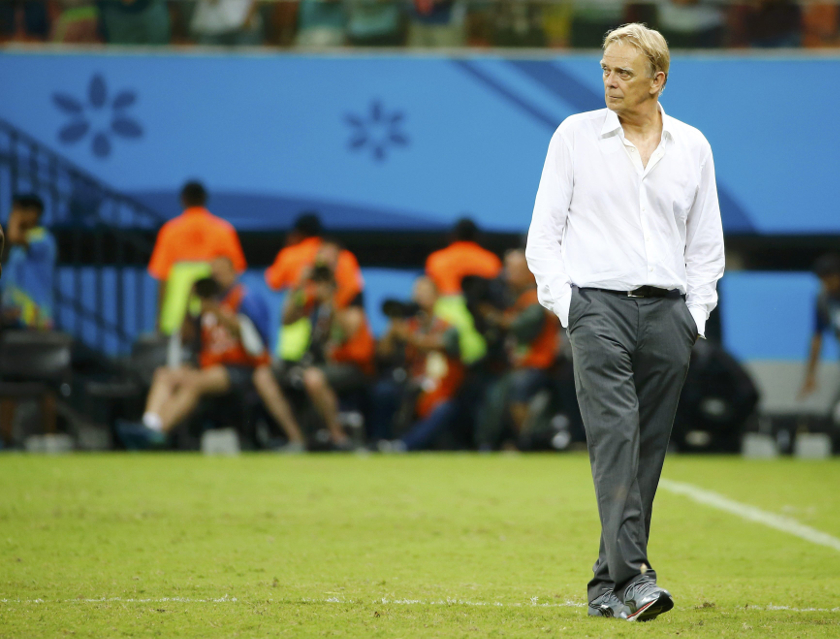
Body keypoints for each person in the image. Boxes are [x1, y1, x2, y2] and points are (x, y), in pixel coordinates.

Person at [526, 24, 724, 621]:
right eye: (606, 70)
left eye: (624, 72)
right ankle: (637, 578)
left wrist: (693, 315)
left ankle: (604, 588)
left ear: (657, 79)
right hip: (597, 308)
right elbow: (545, 234)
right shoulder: (574, 135)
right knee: (615, 436)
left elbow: (705, 245)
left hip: (669, 314)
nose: (611, 81)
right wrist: (570, 307)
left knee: (647, 451)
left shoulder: (693, 147)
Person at [117, 255, 305, 450]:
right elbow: (186, 339)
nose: (217, 277)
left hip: (241, 366)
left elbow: (255, 341)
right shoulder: (206, 301)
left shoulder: (245, 297)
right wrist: (189, 303)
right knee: (164, 375)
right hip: (209, 365)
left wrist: (216, 311)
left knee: (194, 382)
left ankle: (158, 432)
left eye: (222, 272)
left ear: (234, 273)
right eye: (213, 273)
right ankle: (150, 425)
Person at [282, 264, 374, 449]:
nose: (320, 285)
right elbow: (286, 320)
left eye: (325, 281)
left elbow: (350, 331)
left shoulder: (347, 298)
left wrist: (331, 302)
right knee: (267, 374)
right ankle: (296, 438)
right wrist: (298, 286)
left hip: (351, 364)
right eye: (317, 281)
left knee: (313, 377)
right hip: (319, 362)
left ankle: (338, 437)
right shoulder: (311, 301)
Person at [475, 249, 559, 450]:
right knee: (491, 389)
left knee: (514, 389)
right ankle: (495, 441)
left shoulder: (535, 297)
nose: (507, 273)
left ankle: (525, 441)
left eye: (513, 269)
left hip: (538, 364)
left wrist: (493, 317)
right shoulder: (514, 297)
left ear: (529, 272)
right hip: (519, 364)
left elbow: (525, 327)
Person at [372, 276, 463, 451]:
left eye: (424, 291)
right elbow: (382, 353)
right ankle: (379, 441)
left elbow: (437, 343)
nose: (419, 296)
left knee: (444, 409)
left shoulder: (448, 326)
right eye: (416, 292)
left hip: (440, 388)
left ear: (437, 296)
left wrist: (408, 336)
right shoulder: (410, 325)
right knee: (383, 390)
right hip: (411, 383)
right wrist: (392, 327)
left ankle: (404, 445)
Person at [148, 181, 247, 335]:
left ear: (183, 200)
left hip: (177, 315)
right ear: (205, 199)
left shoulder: (170, 231)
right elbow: (235, 274)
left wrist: (159, 318)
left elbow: (163, 279)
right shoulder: (223, 229)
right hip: (213, 313)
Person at [265, 214, 364, 360]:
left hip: (340, 357)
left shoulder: (290, 254)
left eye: (332, 261)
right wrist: (300, 284)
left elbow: (273, 282)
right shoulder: (310, 286)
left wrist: (329, 299)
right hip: (301, 353)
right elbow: (286, 319)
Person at [425, 218, 502, 365]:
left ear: (452, 235)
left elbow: (431, 293)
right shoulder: (490, 260)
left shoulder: (436, 260)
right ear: (477, 236)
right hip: (478, 317)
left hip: (444, 316)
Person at [1, 194, 56, 330]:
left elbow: (13, 236)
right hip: (13, 314)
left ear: (33, 213)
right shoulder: (19, 246)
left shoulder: (43, 239)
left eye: (18, 211)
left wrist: (15, 218)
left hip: (34, 317)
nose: (13, 215)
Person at [799, 254, 840, 400]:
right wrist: (810, 374)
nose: (827, 286)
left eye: (830, 280)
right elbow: (817, 338)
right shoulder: (823, 300)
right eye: (823, 282)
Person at [190, 0, 263, 46]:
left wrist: (249, 16)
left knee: (246, 65)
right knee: (209, 65)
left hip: (243, 28)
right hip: (211, 27)